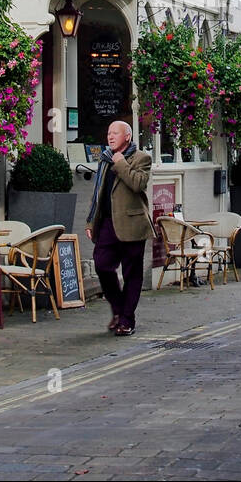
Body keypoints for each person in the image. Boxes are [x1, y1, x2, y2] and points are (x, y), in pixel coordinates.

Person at [84, 120, 153, 336]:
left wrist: (121, 162)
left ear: (128, 136)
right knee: (102, 265)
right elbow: (99, 193)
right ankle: (118, 309)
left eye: (115, 133)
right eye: (108, 133)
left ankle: (126, 320)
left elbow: (138, 184)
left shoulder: (142, 158)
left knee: (132, 273)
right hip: (107, 223)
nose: (110, 137)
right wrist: (90, 221)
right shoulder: (104, 159)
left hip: (132, 223)